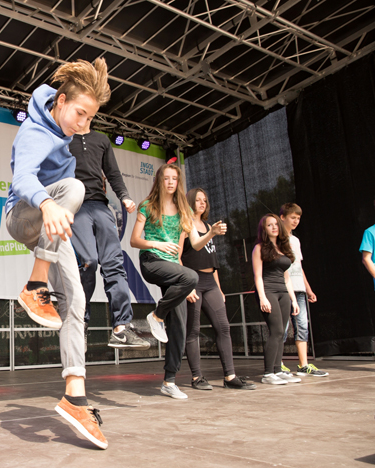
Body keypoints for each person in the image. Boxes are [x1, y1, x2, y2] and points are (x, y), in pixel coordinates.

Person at [5, 58, 110, 449]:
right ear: (61, 101)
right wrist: (48, 205)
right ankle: (35, 284)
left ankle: (75, 396)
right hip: (24, 216)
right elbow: (22, 179)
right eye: (80, 114)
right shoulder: (36, 130)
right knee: (74, 190)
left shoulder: (63, 127)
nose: (83, 125)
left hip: (49, 224)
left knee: (77, 299)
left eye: (90, 118)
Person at [130, 164, 226, 399]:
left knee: (180, 326)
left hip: (173, 269)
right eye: (166, 178)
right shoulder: (147, 205)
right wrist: (157, 244)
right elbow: (134, 240)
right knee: (192, 276)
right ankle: (157, 315)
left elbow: (194, 243)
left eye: (174, 178)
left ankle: (169, 381)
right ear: (159, 180)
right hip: (152, 261)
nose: (171, 182)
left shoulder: (184, 208)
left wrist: (211, 233)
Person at [68, 122, 149, 350]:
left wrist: (124, 196)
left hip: (101, 206)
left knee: (114, 263)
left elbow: (112, 172)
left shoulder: (101, 140)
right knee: (89, 262)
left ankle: (121, 327)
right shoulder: (64, 138)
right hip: (76, 205)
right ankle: (80, 320)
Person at [182, 189, 255, 390]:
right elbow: (178, 256)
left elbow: (213, 263)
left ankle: (230, 376)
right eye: (197, 200)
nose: (202, 203)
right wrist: (186, 286)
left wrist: (220, 288)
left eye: (204, 200)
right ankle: (197, 377)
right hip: (193, 280)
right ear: (189, 202)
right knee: (193, 330)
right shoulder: (184, 225)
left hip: (210, 282)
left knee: (223, 327)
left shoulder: (207, 226)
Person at [278, 203, 328, 377]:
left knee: (302, 325)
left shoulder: (296, 241)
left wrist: (308, 289)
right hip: (283, 289)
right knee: (282, 326)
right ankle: (278, 363)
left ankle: (303, 364)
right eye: (293, 217)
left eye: (298, 218)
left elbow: (299, 266)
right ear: (282, 217)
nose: (296, 221)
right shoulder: (276, 238)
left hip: (298, 288)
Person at [251, 214, 301, 385]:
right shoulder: (259, 248)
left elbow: (287, 278)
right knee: (277, 331)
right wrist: (263, 297)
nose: (274, 227)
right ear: (264, 229)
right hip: (268, 291)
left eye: (276, 224)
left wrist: (294, 300)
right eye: (269, 225)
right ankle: (268, 373)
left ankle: (278, 370)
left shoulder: (283, 249)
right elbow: (257, 276)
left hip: (283, 293)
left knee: (283, 333)